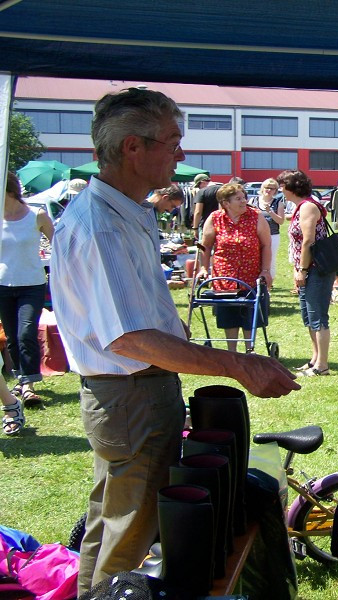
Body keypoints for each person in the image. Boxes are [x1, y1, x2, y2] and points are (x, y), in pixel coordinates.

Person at [49, 87, 300, 593]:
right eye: (172, 141)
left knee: (114, 522)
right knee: (130, 532)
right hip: (129, 395)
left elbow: (137, 324)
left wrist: (175, 333)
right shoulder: (104, 227)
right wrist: (237, 365)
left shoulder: (125, 215)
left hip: (134, 394)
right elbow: (131, 337)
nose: (181, 154)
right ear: (132, 148)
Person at [196, 183, 273, 352]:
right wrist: (203, 268)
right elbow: (206, 246)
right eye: (238, 198)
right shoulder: (215, 218)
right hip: (224, 277)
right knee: (229, 315)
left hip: (251, 275)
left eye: (244, 197)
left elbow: (266, 245)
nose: (244, 201)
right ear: (226, 203)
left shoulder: (256, 217)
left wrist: (265, 270)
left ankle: (249, 350)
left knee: (249, 314)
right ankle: (232, 353)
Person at [1, 171, 55, 409]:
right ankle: (22, 380)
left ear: (9, 189)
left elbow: (59, 245)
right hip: (2, 284)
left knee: (26, 333)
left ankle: (29, 383)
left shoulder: (37, 215)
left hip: (31, 284)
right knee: (12, 337)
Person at [283, 169, 334, 376]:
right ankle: (315, 359)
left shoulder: (308, 207)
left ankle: (322, 365)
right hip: (305, 269)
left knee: (318, 316)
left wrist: (302, 270)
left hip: (316, 269)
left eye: (282, 186)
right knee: (308, 316)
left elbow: (308, 240)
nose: (280, 190)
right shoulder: (301, 207)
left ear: (291, 187)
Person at [250, 178, 285, 281]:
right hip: (256, 235)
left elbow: (280, 221)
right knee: (255, 258)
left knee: (270, 259)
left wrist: (270, 211)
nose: (268, 190)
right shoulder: (253, 201)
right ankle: (255, 281)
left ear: (275, 190)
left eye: (272, 188)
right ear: (262, 188)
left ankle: (268, 283)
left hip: (272, 235)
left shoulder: (278, 203)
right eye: (266, 187)